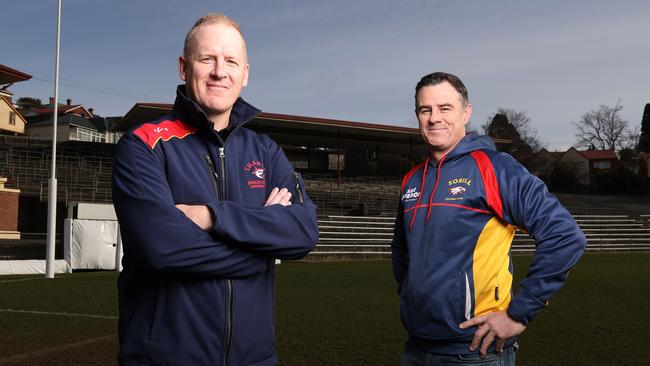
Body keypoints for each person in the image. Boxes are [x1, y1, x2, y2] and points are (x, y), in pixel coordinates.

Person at [112, 13, 318, 366]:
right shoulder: (143, 145)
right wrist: (262, 250)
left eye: (231, 61)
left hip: (256, 360)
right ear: (183, 66)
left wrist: (211, 216)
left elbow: (303, 232)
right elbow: (163, 248)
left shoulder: (265, 151)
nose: (219, 71)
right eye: (207, 58)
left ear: (246, 74)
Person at [391, 72, 586, 365]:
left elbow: (565, 236)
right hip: (416, 348)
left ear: (466, 112)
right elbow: (401, 252)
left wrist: (519, 314)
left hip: (474, 352)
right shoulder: (412, 179)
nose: (434, 118)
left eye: (445, 108)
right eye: (425, 110)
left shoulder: (494, 168)